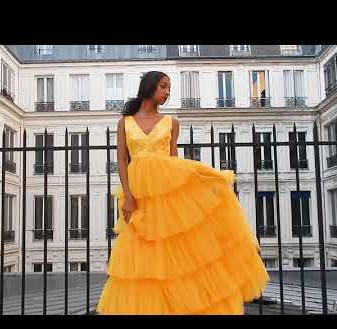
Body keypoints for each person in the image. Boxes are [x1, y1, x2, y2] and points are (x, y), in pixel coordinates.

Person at [96, 71, 269, 315]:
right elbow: (122, 162)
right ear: (149, 87)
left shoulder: (171, 122)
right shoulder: (125, 122)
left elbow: (174, 161)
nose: (167, 92)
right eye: (164, 86)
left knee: (176, 252)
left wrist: (188, 189)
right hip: (139, 195)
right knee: (143, 251)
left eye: (169, 88)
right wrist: (128, 198)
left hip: (167, 194)